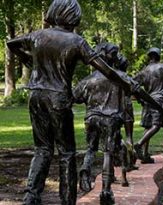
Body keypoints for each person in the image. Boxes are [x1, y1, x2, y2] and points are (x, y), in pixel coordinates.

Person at [6, 1, 133, 204]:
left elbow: (11, 43)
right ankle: (67, 201)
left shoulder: (38, 35)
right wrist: (125, 83)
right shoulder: (76, 41)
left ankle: (31, 196)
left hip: (36, 96)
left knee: (42, 149)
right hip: (58, 98)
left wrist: (26, 59)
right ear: (72, 16)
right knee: (66, 153)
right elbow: (106, 70)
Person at [73, 43, 163, 204]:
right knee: (108, 153)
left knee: (91, 148)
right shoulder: (120, 76)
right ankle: (106, 191)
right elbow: (141, 93)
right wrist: (158, 107)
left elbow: (75, 97)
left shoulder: (88, 79)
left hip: (91, 118)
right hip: (111, 119)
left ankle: (85, 167)